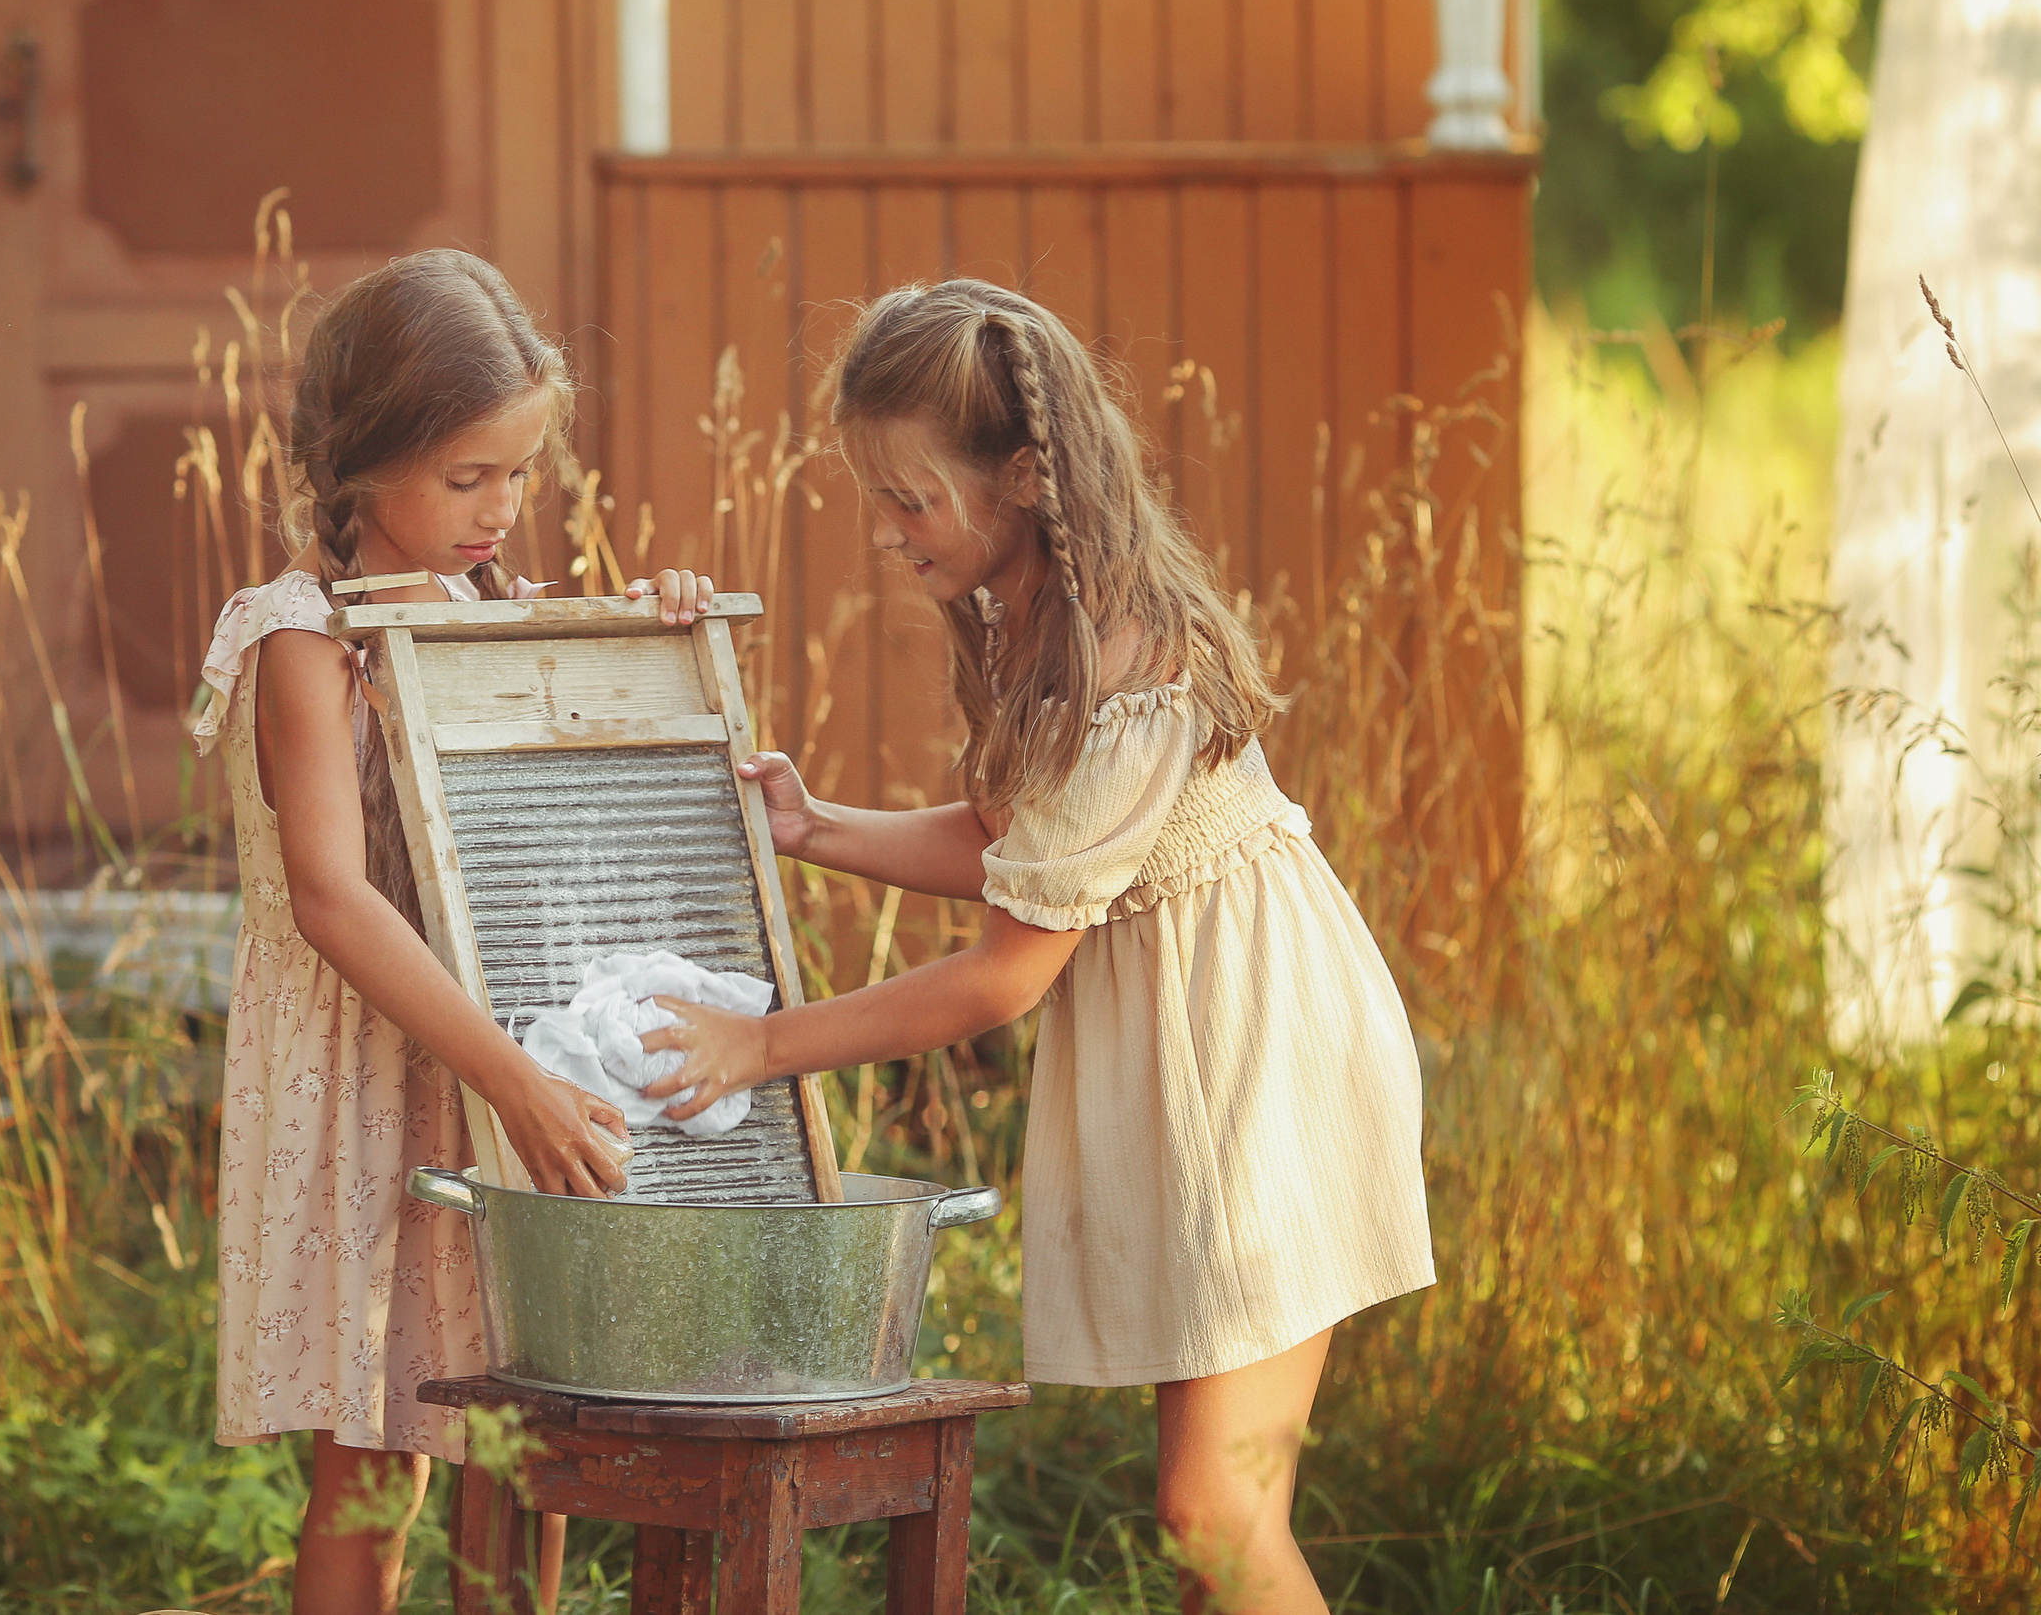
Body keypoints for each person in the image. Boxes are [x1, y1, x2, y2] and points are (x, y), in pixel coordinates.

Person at [641, 278, 1434, 1614]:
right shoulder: (1039, 619)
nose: (889, 535)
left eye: (911, 500)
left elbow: (1006, 971)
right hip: (1202, 1059)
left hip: (1264, 1059)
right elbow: (1018, 848)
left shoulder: (1125, 655)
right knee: (1212, 1528)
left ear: (1019, 477)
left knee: (1215, 1512)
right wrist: (817, 825)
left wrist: (766, 1046)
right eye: (876, 502)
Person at [192, 248, 713, 1615]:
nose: (502, 508)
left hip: (494, 1055)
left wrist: (655, 628)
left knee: (513, 1431)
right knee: (374, 1451)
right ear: (364, 461)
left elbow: (596, 791)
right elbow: (332, 895)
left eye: (521, 475)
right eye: (467, 477)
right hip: (375, 1073)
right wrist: (515, 1082)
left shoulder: (498, 624)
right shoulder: (305, 640)